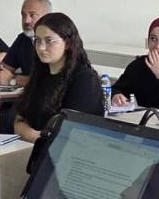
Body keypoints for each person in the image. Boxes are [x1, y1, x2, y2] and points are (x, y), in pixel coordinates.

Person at [11, 12, 103, 142]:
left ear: (68, 43)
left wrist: (32, 136)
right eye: (37, 40)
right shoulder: (40, 74)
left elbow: (70, 131)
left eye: (49, 41)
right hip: (35, 146)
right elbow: (20, 118)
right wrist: (31, 135)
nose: (41, 48)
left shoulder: (84, 79)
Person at [0, 0, 51, 87]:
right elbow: (2, 69)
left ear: (47, 17)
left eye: (32, 15)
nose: (26, 21)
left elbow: (50, 82)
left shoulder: (55, 42)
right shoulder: (23, 39)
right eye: (23, 15)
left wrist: (13, 79)